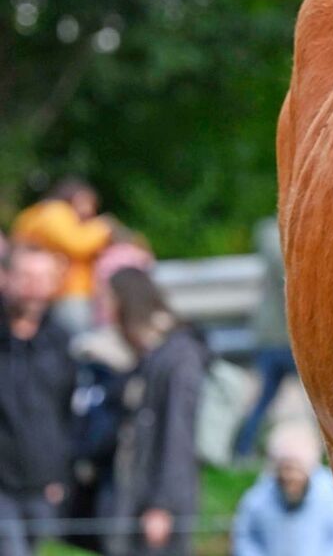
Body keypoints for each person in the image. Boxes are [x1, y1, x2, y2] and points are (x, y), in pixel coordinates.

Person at [102, 268, 207, 556]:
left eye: (108, 302)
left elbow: (178, 433)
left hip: (161, 505)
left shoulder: (179, 355)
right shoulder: (154, 354)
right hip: (141, 495)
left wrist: (163, 505)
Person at [0, 245, 76, 556]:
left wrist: (60, 474)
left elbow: (69, 412)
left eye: (44, 278)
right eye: (27, 277)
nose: (35, 287)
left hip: (44, 482)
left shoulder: (61, 340)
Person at [231, 421, 333, 556]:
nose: (290, 477)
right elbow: (245, 538)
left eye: (295, 469)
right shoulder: (258, 498)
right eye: (284, 469)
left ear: (309, 469)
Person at [11, 178, 112, 335]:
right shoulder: (56, 211)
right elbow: (77, 244)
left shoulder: (36, 213)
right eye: (86, 202)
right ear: (73, 197)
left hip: (54, 291)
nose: (90, 210)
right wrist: (103, 228)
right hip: (70, 292)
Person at [233, 217, 296, 459]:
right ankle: (244, 448)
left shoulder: (271, 230)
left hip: (273, 334)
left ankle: (243, 449)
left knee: (265, 398)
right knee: (324, 397)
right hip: (280, 336)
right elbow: (285, 269)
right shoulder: (275, 231)